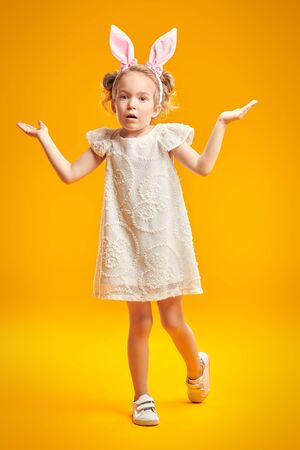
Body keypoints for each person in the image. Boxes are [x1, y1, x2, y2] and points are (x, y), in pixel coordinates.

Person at [16, 24, 258, 427]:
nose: (132, 104)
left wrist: (221, 124)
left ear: (157, 105)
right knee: (140, 322)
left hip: (162, 241)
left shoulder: (165, 136)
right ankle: (142, 397)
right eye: (124, 96)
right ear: (112, 102)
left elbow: (203, 167)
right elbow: (70, 175)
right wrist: (45, 138)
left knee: (172, 321)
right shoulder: (107, 141)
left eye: (142, 98)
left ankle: (196, 366)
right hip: (126, 243)